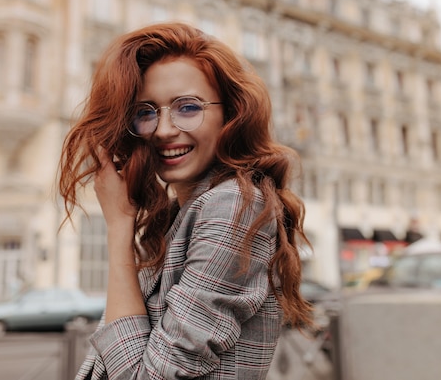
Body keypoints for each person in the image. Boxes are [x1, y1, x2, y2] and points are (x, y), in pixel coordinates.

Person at [58, 22, 314, 380]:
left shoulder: (233, 206)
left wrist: (118, 226)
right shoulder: (182, 213)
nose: (163, 130)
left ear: (232, 114)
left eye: (188, 107)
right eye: (146, 112)